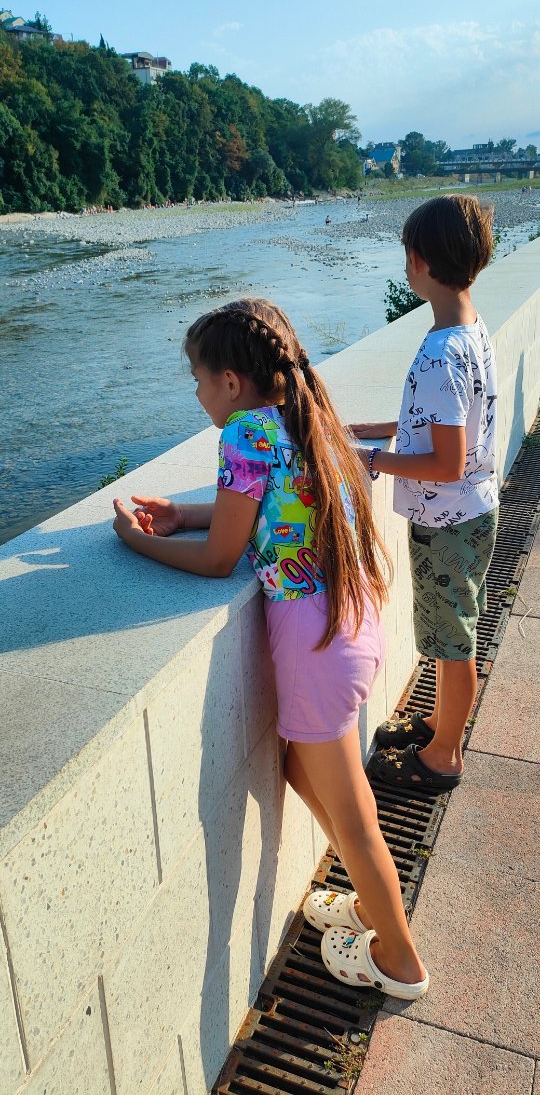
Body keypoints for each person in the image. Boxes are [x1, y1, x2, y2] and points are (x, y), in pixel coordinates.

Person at [111, 297, 429, 1000]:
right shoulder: (305, 415)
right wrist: (184, 513)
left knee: (354, 816)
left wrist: (134, 539)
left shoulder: (244, 432)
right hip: (350, 621)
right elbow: (271, 507)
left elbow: (219, 559)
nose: (197, 393)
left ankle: (398, 962)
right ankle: (374, 904)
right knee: (298, 769)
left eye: (198, 379)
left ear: (230, 381)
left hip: (314, 643)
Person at [352, 195, 498, 793]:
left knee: (453, 642)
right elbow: (452, 420)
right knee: (449, 632)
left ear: (418, 261)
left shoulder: (440, 352)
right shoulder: (470, 328)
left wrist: (372, 459)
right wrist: (387, 427)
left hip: (447, 521)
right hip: (473, 510)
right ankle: (441, 723)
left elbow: (445, 461)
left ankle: (443, 757)